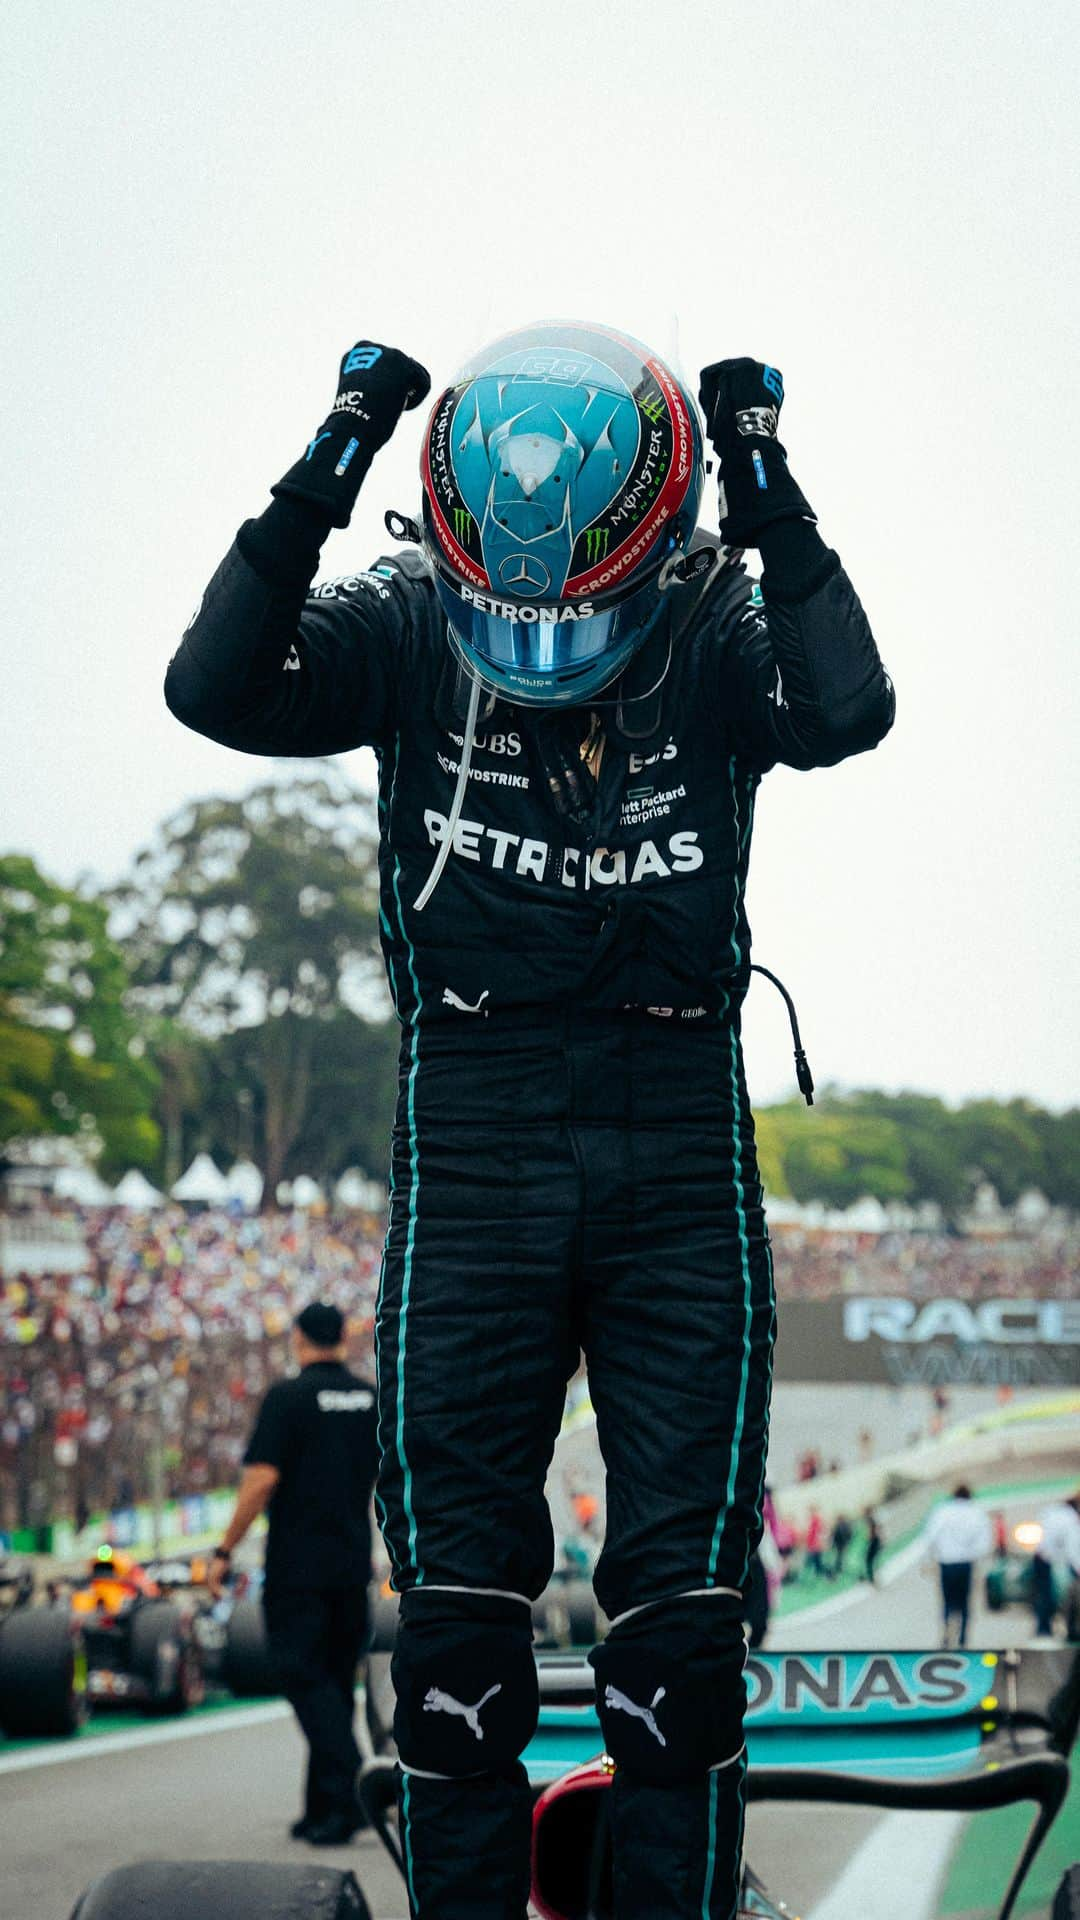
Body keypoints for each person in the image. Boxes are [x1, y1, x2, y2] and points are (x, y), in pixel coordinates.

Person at [167, 322, 895, 1920]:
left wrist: (771, 487)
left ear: (658, 527)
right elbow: (210, 687)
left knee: (685, 1619)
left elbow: (847, 708)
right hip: (477, 1122)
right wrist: (333, 450)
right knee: (454, 1620)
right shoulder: (409, 615)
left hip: (674, 1123)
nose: (545, 636)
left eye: (584, 600)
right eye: (513, 597)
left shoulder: (713, 618)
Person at [208, 1302, 378, 1845]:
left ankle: (360, 1783)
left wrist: (223, 1548)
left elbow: (260, 1481)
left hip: (299, 1569)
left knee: (303, 1677)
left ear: (300, 1339)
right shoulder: (370, 1399)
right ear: (342, 1340)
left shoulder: (289, 1398)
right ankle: (328, 1810)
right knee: (330, 1682)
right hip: (352, 1566)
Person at [922, 1484, 992, 1648]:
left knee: (947, 1600)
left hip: (946, 1562)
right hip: (965, 1563)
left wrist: (928, 1559)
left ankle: (947, 1632)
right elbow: (984, 1542)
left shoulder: (943, 1511)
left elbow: (931, 1536)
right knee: (965, 1601)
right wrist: (979, 1560)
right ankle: (963, 1638)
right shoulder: (976, 1512)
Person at [1030, 1490, 1080, 1638]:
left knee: (1043, 1595)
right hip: (1051, 1559)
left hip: (1041, 1556)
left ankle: (1043, 1628)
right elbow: (1068, 1545)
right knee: (1056, 1596)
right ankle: (1055, 1628)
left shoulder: (1052, 1511)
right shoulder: (1070, 1518)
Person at [863, 1509, 883, 1585]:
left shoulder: (869, 1520)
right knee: (871, 1561)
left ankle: (872, 1578)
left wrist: (869, 1537)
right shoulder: (872, 1519)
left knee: (869, 1561)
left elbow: (872, 1531)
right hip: (875, 1541)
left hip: (873, 1541)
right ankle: (873, 1578)